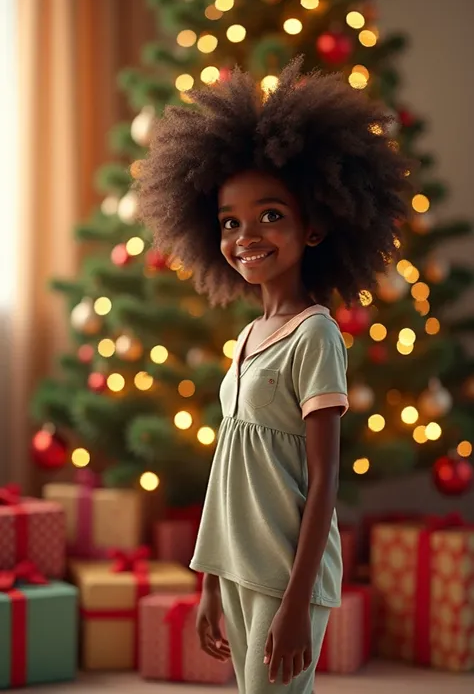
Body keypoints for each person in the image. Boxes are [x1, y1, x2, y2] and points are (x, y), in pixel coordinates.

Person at [137, 56, 412, 693]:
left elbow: (323, 481)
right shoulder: (246, 340)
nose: (245, 236)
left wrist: (295, 603)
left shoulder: (314, 333)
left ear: (313, 225)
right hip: (236, 566)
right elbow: (228, 469)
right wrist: (210, 581)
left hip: (286, 575)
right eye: (230, 222)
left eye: (270, 215)